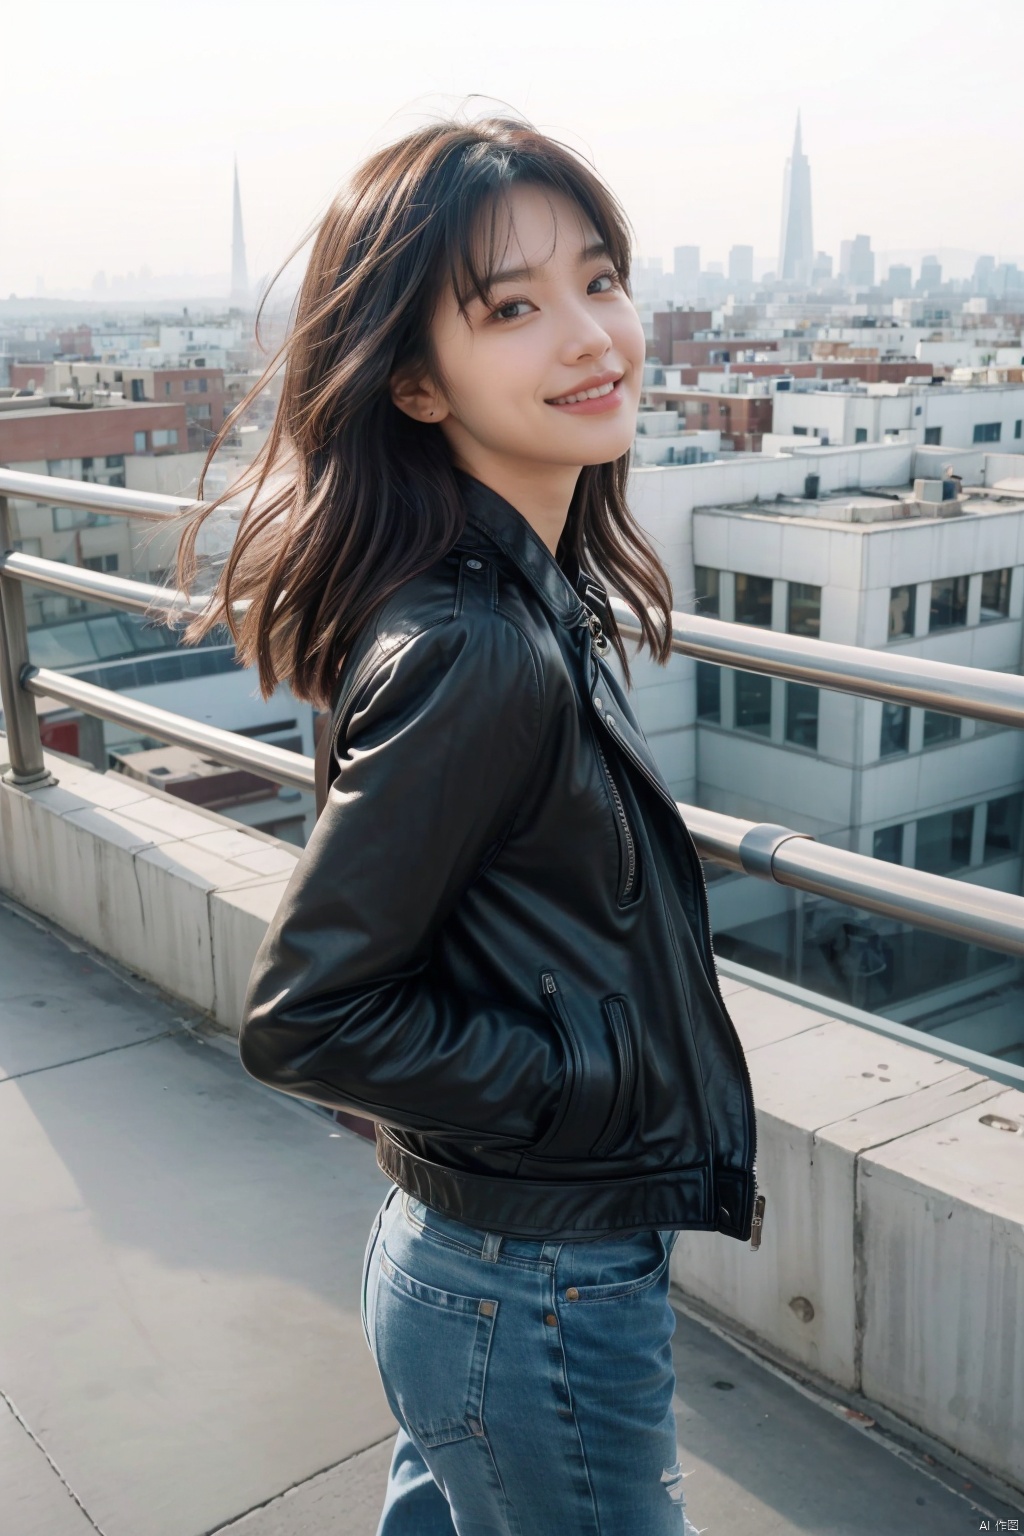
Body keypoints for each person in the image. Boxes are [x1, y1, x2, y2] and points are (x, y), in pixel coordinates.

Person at [170, 112, 762, 1536]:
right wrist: (585, 1085)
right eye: (512, 307)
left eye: (600, 279)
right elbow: (305, 1016)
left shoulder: (509, 600)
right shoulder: (477, 645)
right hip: (535, 1285)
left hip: (484, 1263)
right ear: (418, 385)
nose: (591, 335)